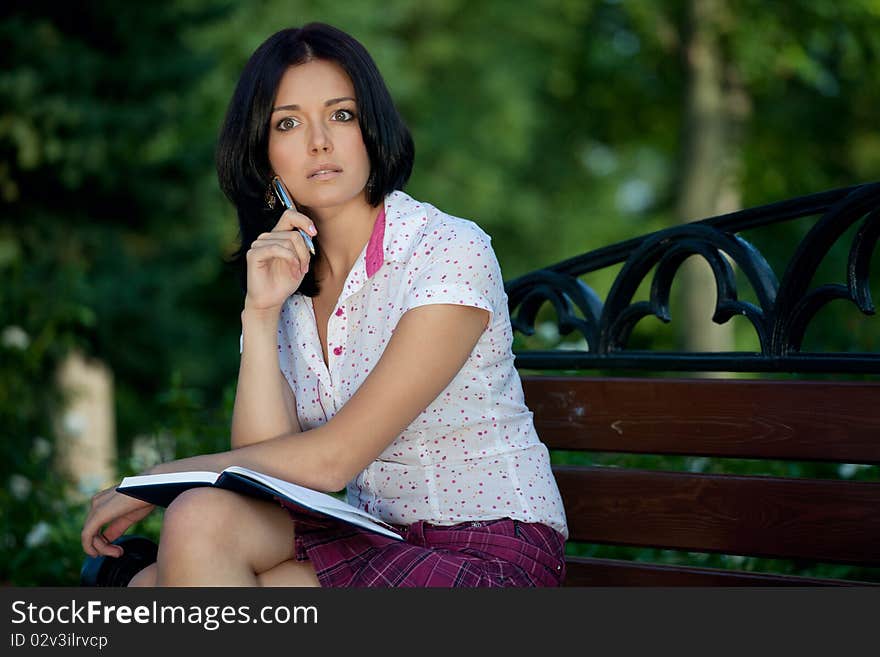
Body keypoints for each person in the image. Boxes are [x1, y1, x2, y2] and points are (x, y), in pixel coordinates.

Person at [81, 22, 568, 587]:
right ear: (265, 159)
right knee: (198, 526)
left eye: (341, 115)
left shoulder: (446, 251)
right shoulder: (285, 284)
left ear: (371, 130)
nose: (319, 141)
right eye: (288, 123)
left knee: (155, 584)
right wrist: (260, 317)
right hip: (376, 537)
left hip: (488, 553)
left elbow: (331, 461)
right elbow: (267, 476)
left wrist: (155, 481)